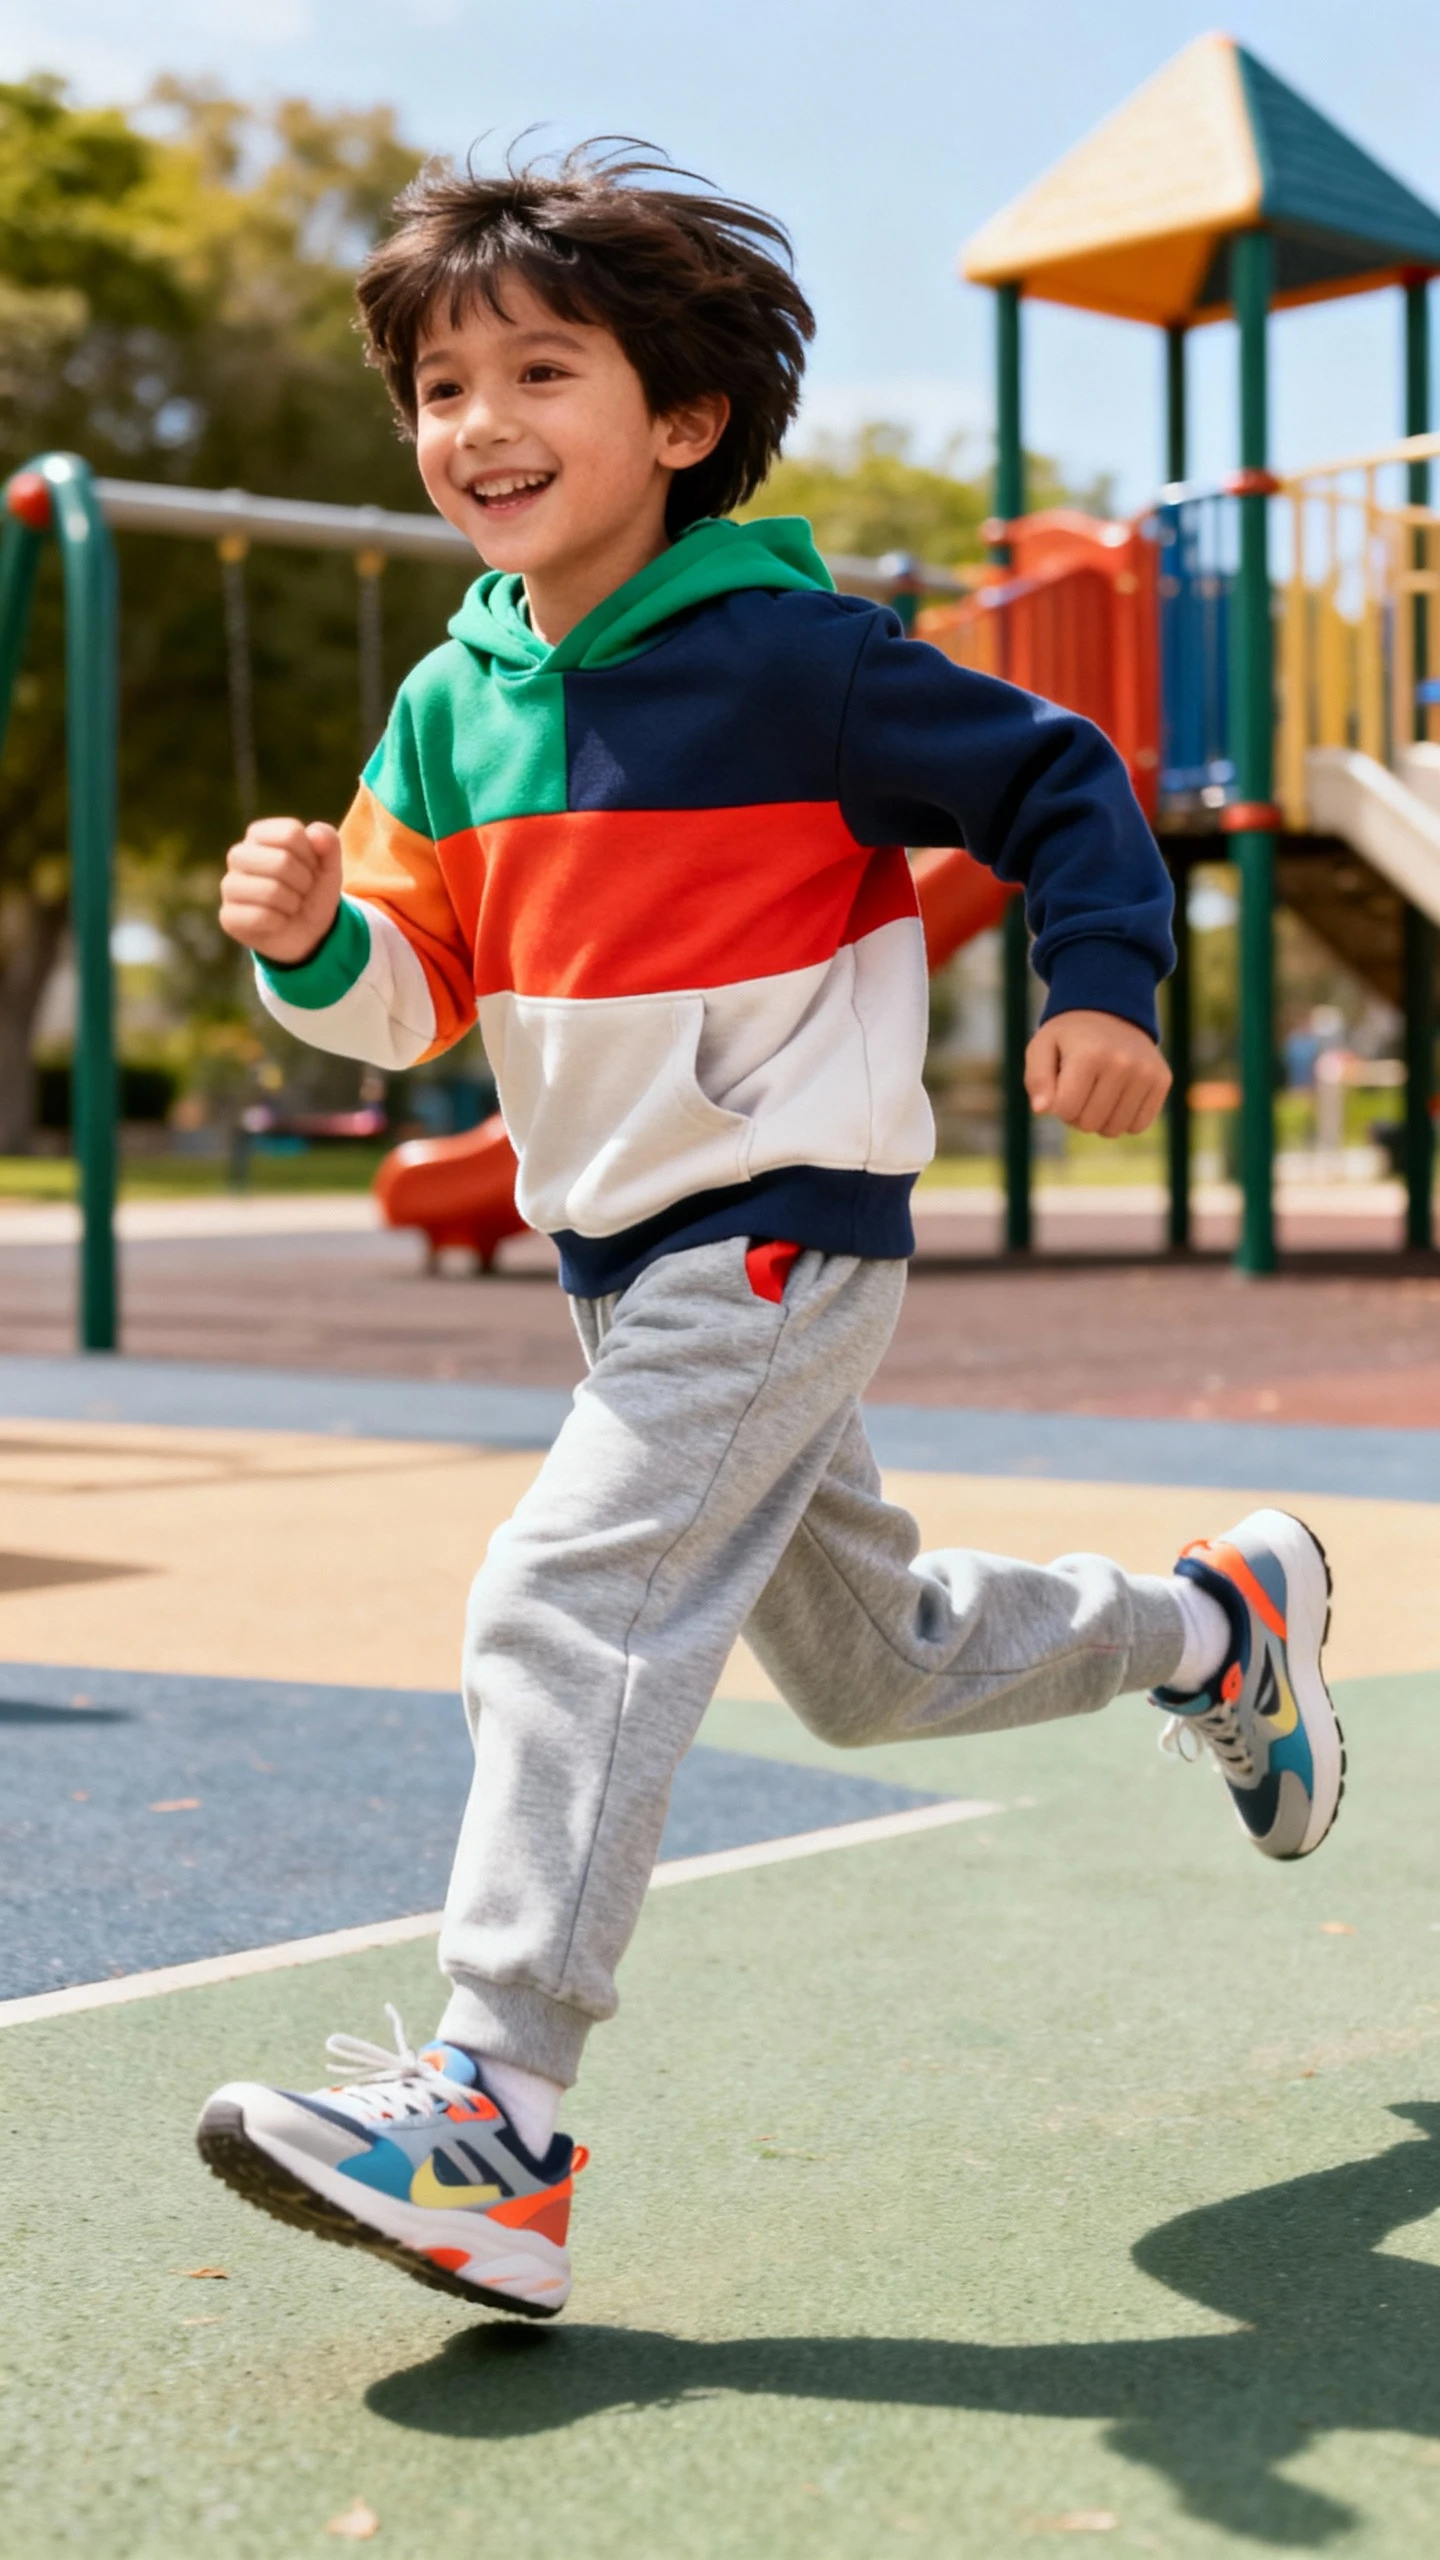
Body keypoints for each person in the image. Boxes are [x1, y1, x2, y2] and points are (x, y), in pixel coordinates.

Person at [198, 146, 1343, 2322]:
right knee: (869, 1661)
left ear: (687, 421)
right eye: (443, 387)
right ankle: (1214, 1625)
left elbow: (1065, 778)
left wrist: (1103, 983)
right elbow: (419, 995)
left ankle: (497, 2118)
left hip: (777, 1229)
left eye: (543, 370)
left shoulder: (797, 662)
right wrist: (311, 936)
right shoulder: (449, 707)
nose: (480, 426)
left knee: (566, 1593)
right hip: (624, 1267)